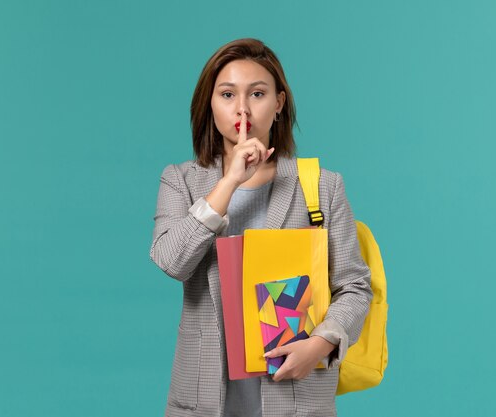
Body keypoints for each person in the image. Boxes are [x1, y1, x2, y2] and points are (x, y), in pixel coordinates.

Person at [150, 38, 372, 417]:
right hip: (206, 402)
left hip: (296, 396)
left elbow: (354, 286)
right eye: (227, 94)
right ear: (210, 104)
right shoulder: (181, 181)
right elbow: (172, 262)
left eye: (257, 93)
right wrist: (229, 183)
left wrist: (320, 344)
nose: (242, 108)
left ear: (279, 103)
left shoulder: (321, 186)